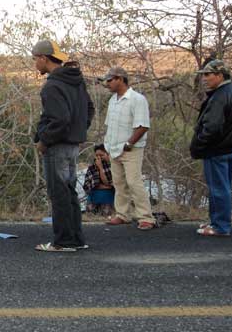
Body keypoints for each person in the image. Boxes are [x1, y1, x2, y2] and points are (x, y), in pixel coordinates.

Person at [31, 39, 94, 252]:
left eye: (35, 59)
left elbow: (59, 119)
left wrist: (44, 141)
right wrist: (79, 131)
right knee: (69, 192)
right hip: (73, 144)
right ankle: (77, 239)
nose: (35, 64)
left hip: (57, 146)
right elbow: (89, 108)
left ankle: (63, 242)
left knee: (58, 193)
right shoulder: (76, 81)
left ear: (44, 58)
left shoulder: (52, 86)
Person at [190, 59, 232, 237]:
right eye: (203, 75)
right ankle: (216, 221)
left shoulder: (219, 96)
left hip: (216, 150)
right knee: (223, 187)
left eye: (208, 75)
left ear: (220, 75)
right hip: (231, 148)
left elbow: (212, 127)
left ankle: (220, 227)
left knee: (218, 189)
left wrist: (199, 144)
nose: (204, 79)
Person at [102, 66, 156, 230]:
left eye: (110, 80)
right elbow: (109, 125)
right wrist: (107, 145)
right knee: (119, 183)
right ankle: (122, 214)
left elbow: (143, 126)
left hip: (130, 149)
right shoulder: (113, 100)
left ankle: (145, 217)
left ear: (120, 79)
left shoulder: (137, 99)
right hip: (113, 148)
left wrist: (129, 144)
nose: (107, 83)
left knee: (134, 182)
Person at [83, 144, 115, 216]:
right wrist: (104, 186)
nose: (99, 158)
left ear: (107, 154)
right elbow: (88, 186)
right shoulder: (92, 168)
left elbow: (109, 183)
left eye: (101, 155)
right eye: (97, 155)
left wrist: (100, 168)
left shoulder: (112, 166)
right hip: (94, 198)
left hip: (108, 198)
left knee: (107, 214)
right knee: (91, 214)